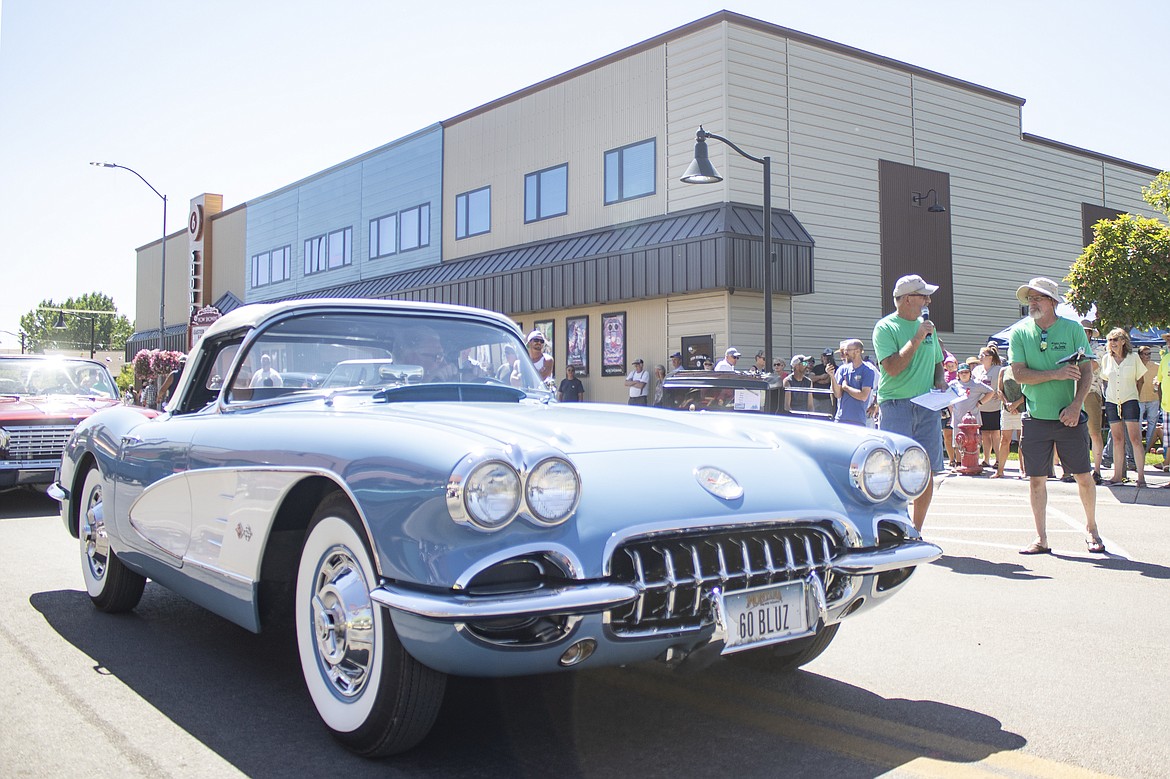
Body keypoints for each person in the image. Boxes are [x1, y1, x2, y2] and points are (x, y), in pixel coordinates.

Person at [1008, 277, 1102, 555]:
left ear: (1052, 302)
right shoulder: (1020, 332)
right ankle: (1041, 538)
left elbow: (1087, 370)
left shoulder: (1073, 329)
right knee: (1036, 479)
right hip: (1035, 418)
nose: (1032, 303)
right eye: (1029, 299)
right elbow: (1019, 373)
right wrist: (1055, 374)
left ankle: (1092, 529)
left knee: (1084, 476)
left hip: (1069, 417)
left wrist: (1076, 405)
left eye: (1038, 298)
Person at [872, 274, 946, 531]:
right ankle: (895, 527)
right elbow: (892, 368)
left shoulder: (929, 328)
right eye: (923, 296)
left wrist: (941, 381)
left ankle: (916, 530)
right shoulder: (886, 328)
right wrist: (915, 338)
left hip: (928, 406)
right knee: (894, 470)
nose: (928, 301)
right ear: (905, 300)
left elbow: (938, 362)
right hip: (896, 406)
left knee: (926, 471)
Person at [1099, 328, 1146, 488]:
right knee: (1117, 439)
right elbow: (1105, 379)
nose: (1112, 343)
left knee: (1135, 438)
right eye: (1110, 340)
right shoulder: (1106, 359)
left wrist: (1135, 395)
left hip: (1130, 399)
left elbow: (1140, 380)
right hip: (1112, 400)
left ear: (1123, 341)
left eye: (1115, 340)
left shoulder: (1133, 358)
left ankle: (1141, 477)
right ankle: (1117, 475)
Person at [948, 362, 995, 471]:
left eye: (966, 372)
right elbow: (946, 397)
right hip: (958, 417)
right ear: (958, 374)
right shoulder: (953, 384)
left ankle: (974, 462)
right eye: (961, 373)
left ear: (970, 373)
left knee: (974, 441)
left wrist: (981, 403)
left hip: (973, 419)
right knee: (958, 441)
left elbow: (991, 392)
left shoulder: (977, 384)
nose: (964, 374)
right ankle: (959, 463)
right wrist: (951, 411)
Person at [1080, 321, 1106, 484]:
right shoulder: (1072, 346)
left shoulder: (1098, 349)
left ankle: (1097, 470)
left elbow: (1091, 366)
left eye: (1085, 332)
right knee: (1074, 433)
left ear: (1090, 333)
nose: (1082, 334)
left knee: (1094, 432)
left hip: (1090, 392)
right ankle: (1077, 469)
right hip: (1072, 392)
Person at [831, 339, 877, 426]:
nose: (845, 353)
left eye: (848, 350)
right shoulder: (843, 369)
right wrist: (832, 376)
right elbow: (838, 395)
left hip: (858, 420)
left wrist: (846, 388)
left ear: (858, 351)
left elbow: (863, 396)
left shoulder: (867, 371)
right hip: (840, 418)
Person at [974, 345, 1004, 470]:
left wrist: (1000, 393)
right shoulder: (977, 370)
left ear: (990, 357)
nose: (980, 357)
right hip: (981, 407)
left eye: (983, 355)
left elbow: (1003, 384)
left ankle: (998, 459)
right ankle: (986, 459)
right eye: (979, 355)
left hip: (995, 407)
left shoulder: (998, 370)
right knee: (985, 434)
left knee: (995, 434)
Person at [997, 363, 1026, 479]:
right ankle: (1000, 470)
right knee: (1004, 440)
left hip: (1022, 409)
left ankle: (1023, 469)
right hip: (1007, 409)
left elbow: (1028, 391)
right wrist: (1007, 404)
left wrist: (1016, 404)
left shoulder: (1025, 369)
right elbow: (999, 390)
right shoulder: (1004, 370)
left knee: (1022, 440)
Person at [1137, 344, 1160, 458]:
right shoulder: (1136, 366)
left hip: (1153, 398)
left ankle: (1148, 447)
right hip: (1139, 398)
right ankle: (1138, 446)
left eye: (1149, 354)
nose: (1148, 356)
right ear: (1140, 355)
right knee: (1139, 423)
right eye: (1145, 354)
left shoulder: (1156, 366)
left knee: (1152, 423)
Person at [1156, 331, 1170, 475]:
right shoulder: (1165, 359)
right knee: (1167, 439)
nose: (1169, 342)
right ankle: (1166, 464)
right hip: (1166, 405)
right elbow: (1159, 381)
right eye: (1168, 339)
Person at [810, 349, 838, 416]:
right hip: (815, 398)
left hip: (828, 399)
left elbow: (827, 381)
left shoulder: (835, 368)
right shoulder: (817, 368)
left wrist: (817, 380)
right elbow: (810, 378)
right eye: (824, 356)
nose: (826, 358)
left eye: (828, 357)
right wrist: (821, 377)